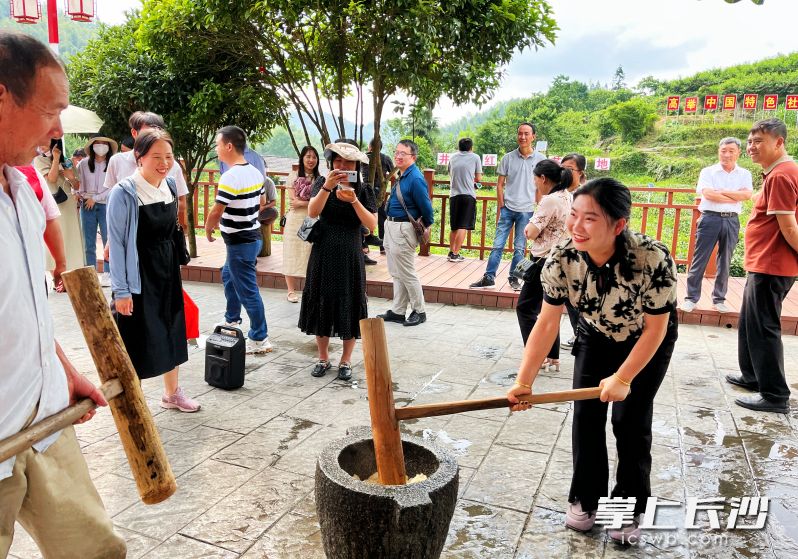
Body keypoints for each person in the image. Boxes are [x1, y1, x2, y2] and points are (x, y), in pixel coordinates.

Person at [0, 30, 126, 558]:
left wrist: (66, 371)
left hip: (47, 418)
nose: (57, 131)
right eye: (50, 111)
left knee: (96, 551)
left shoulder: (22, 189)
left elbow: (24, 307)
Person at [507, 178, 678, 544]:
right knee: (585, 417)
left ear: (618, 224)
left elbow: (656, 329)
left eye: (590, 219)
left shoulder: (652, 258)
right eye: (574, 216)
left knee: (629, 422)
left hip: (646, 340)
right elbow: (547, 321)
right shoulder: (562, 259)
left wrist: (624, 378)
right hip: (595, 336)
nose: (576, 226)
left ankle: (628, 509)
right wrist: (524, 381)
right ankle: (587, 500)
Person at [107, 128, 200, 412]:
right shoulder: (124, 192)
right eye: (156, 156)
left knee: (171, 329)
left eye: (169, 156)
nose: (164, 162)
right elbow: (119, 245)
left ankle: (172, 393)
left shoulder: (169, 186)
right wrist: (122, 291)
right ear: (139, 157)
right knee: (137, 337)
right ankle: (130, 400)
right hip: (139, 274)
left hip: (167, 270)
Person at [726, 119, 798, 414]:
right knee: (751, 323)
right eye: (750, 141)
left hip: (772, 264)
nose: (752, 147)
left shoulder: (781, 175)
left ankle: (775, 395)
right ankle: (753, 376)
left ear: (779, 143)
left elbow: (789, 229)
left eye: (759, 141)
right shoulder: (779, 173)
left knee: (764, 327)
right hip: (764, 262)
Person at [298, 142, 377, 380]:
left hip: (351, 252)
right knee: (322, 299)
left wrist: (353, 200)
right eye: (338, 161)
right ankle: (322, 357)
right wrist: (327, 188)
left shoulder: (364, 190)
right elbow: (312, 212)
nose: (342, 166)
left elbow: (372, 224)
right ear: (331, 162)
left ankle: (345, 360)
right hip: (323, 250)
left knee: (350, 301)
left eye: (348, 162)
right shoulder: (322, 183)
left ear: (357, 165)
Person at [205, 126, 272, 354]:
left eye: (218, 144)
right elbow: (261, 203)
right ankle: (232, 320)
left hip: (240, 242)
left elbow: (217, 209)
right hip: (251, 238)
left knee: (248, 290)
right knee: (228, 275)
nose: (217, 149)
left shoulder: (230, 176)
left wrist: (208, 227)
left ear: (229, 146)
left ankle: (259, 337)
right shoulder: (255, 172)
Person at [681, 137, 753, 314]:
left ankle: (719, 299)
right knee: (700, 258)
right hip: (709, 219)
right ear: (718, 151)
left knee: (725, 260)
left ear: (738, 153)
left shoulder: (744, 174)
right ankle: (691, 298)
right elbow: (708, 195)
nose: (727, 154)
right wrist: (734, 195)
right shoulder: (708, 171)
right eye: (723, 150)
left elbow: (747, 195)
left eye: (731, 151)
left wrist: (722, 192)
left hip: (732, 220)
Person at [471, 122, 545, 291]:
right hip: (508, 209)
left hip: (527, 210)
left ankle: (514, 278)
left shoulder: (541, 160)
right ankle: (489, 277)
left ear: (533, 137)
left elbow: (541, 187)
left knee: (520, 247)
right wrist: (502, 205)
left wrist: (539, 209)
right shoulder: (508, 158)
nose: (523, 137)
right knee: (497, 245)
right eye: (520, 133)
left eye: (526, 134)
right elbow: (499, 185)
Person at [515, 160, 573, 371]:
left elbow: (530, 231)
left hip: (543, 262)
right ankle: (552, 355)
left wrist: (528, 228)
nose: (534, 182)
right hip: (561, 260)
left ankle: (535, 354)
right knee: (550, 308)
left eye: (535, 177)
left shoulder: (549, 200)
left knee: (525, 308)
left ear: (543, 178)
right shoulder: (568, 195)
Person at [377, 139, 434, 327]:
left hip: (403, 229)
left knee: (407, 272)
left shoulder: (415, 178)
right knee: (396, 272)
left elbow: (427, 209)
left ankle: (420, 310)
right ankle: (398, 311)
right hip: (392, 226)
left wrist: (425, 227)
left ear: (413, 157)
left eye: (403, 153)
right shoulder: (402, 175)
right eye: (397, 152)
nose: (398, 156)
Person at [104, 111, 188, 228]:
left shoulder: (172, 165)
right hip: (126, 230)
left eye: (158, 131)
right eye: (148, 131)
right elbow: (111, 200)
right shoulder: (117, 161)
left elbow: (182, 202)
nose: (154, 136)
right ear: (134, 132)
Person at [33, 137, 85, 278]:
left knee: (71, 236)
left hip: (68, 203)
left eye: (45, 142)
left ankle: (70, 273)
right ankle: (56, 276)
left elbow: (77, 186)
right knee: (56, 237)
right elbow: (51, 179)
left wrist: (71, 177)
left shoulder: (67, 160)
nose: (42, 146)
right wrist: (55, 160)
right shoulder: (39, 160)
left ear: (55, 143)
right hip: (52, 203)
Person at [77, 135, 118, 287]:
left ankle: (108, 273)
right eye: (98, 143)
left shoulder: (112, 164)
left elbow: (113, 186)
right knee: (89, 243)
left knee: (109, 240)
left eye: (104, 144)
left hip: (106, 205)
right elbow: (79, 184)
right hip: (87, 205)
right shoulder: (83, 164)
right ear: (92, 146)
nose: (100, 146)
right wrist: (80, 195)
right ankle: (91, 273)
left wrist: (96, 197)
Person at [283, 146, 320, 302]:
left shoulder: (320, 179)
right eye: (308, 157)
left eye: (314, 157)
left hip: (311, 219)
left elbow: (319, 202)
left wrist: (303, 203)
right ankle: (290, 291)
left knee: (310, 253)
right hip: (294, 220)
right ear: (302, 158)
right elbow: (293, 201)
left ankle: (309, 289)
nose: (311, 160)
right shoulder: (293, 175)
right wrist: (306, 202)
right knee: (291, 252)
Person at [559, 153, 588, 350]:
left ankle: (583, 334)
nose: (565, 173)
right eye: (562, 168)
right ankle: (579, 333)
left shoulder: (586, 194)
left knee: (580, 296)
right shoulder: (560, 192)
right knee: (570, 297)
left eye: (569, 169)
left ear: (581, 173)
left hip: (583, 254)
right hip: (564, 253)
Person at [447, 137, 482, 262]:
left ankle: (451, 252)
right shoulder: (475, 157)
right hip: (468, 195)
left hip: (454, 195)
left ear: (459, 147)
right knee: (463, 225)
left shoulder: (452, 157)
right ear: (471, 148)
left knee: (455, 226)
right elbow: (478, 178)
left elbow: (450, 173)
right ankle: (456, 254)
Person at [363, 138, 394, 253]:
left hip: (365, 191)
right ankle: (383, 246)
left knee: (363, 218)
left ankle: (364, 245)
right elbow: (394, 172)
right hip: (378, 192)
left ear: (370, 147)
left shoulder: (364, 157)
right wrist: (385, 180)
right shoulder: (385, 158)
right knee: (382, 219)